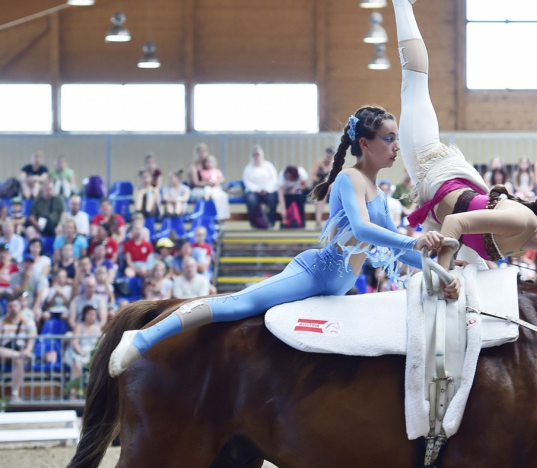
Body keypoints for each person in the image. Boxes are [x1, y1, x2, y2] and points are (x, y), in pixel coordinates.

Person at [109, 104, 446, 377]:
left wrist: (444, 268)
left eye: (397, 138)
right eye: (389, 138)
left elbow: (399, 249)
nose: (397, 146)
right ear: (365, 144)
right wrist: (413, 242)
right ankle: (142, 337)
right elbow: (361, 229)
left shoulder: (382, 197)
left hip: (337, 289)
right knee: (239, 304)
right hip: (316, 273)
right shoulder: (349, 179)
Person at [389, 0, 537, 274]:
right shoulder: (521, 220)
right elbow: (456, 223)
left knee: (484, 278)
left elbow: (464, 238)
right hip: (429, 162)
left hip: (443, 192)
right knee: (414, 80)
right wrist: (445, 275)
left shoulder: (525, 239)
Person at [0, 298, 36, 401]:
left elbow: (31, 341)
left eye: (15, 306)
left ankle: (15, 394)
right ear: (7, 307)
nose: (13, 308)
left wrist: (27, 350)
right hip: (4, 352)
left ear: (20, 306)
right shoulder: (1, 322)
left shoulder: (27, 321)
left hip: (22, 351)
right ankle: (17, 354)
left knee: (19, 360)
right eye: (10, 306)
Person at [65, 305, 101, 398]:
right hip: (78, 352)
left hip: (91, 354)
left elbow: (98, 344)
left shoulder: (97, 328)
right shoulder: (79, 326)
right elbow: (75, 343)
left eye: (94, 314)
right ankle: (73, 395)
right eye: (90, 314)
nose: (92, 316)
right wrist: (81, 353)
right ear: (85, 315)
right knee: (77, 365)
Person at [242, 145, 279, 229]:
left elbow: (274, 179)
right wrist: (256, 190)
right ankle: (254, 223)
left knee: (273, 199)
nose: (257, 156)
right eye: (255, 155)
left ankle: (270, 222)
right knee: (251, 200)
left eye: (258, 154)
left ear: (262, 155)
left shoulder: (269, 166)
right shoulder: (248, 168)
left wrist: (266, 189)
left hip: (268, 190)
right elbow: (247, 181)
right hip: (253, 191)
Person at [194, 155, 230, 221]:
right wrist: (208, 183)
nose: (209, 163)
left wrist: (217, 182)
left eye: (211, 162)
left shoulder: (217, 171)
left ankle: (221, 216)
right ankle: (206, 210)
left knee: (223, 196)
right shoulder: (203, 172)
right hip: (208, 187)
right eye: (207, 162)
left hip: (216, 188)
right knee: (208, 195)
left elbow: (221, 179)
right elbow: (203, 180)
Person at [311, 146, 335, 229]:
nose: (329, 156)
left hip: (329, 186)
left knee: (331, 186)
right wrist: (320, 180)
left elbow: (334, 176)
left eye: (331, 155)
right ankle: (318, 221)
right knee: (321, 198)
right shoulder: (319, 163)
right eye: (328, 154)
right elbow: (313, 176)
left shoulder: (333, 164)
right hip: (319, 185)